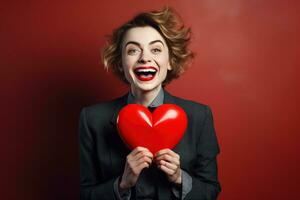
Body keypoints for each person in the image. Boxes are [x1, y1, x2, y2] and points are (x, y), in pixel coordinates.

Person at [79, 7, 221, 200]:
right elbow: (86, 194)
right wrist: (122, 183)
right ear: (121, 62)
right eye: (133, 50)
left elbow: (210, 192)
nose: (145, 58)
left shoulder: (199, 116)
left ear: (169, 61)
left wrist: (179, 178)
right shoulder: (92, 119)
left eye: (155, 49)